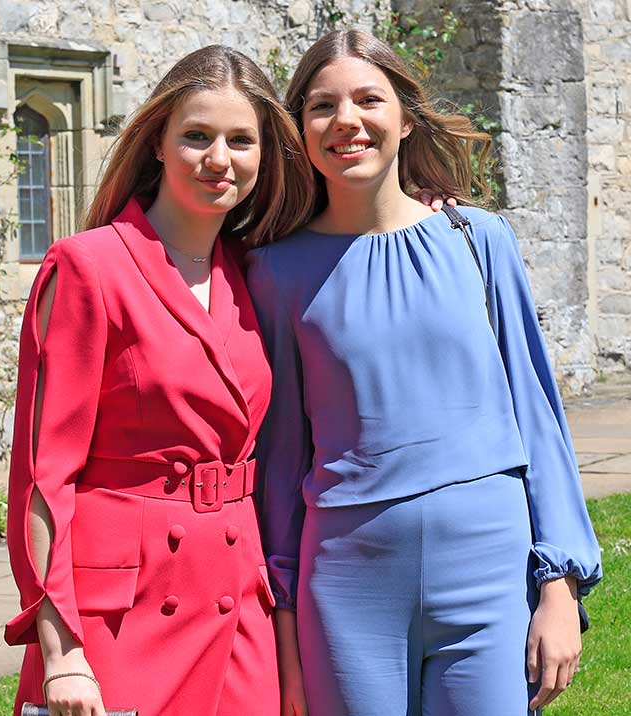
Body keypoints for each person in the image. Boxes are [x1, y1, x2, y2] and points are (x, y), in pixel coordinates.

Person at [248, 30, 603, 716]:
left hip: (489, 574)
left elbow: (537, 416)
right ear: (300, 129)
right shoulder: (275, 272)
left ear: (405, 118)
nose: (346, 121)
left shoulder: (479, 241)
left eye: (367, 99)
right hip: (348, 587)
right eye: (322, 105)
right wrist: (285, 631)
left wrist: (558, 582)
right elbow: (280, 462)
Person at [4, 45, 315, 716]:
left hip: (238, 605)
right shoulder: (89, 268)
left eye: (241, 140)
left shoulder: (252, 273)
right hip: (122, 616)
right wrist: (62, 651)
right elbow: (43, 476)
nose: (219, 158)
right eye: (197, 136)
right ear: (157, 145)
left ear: (265, 157)